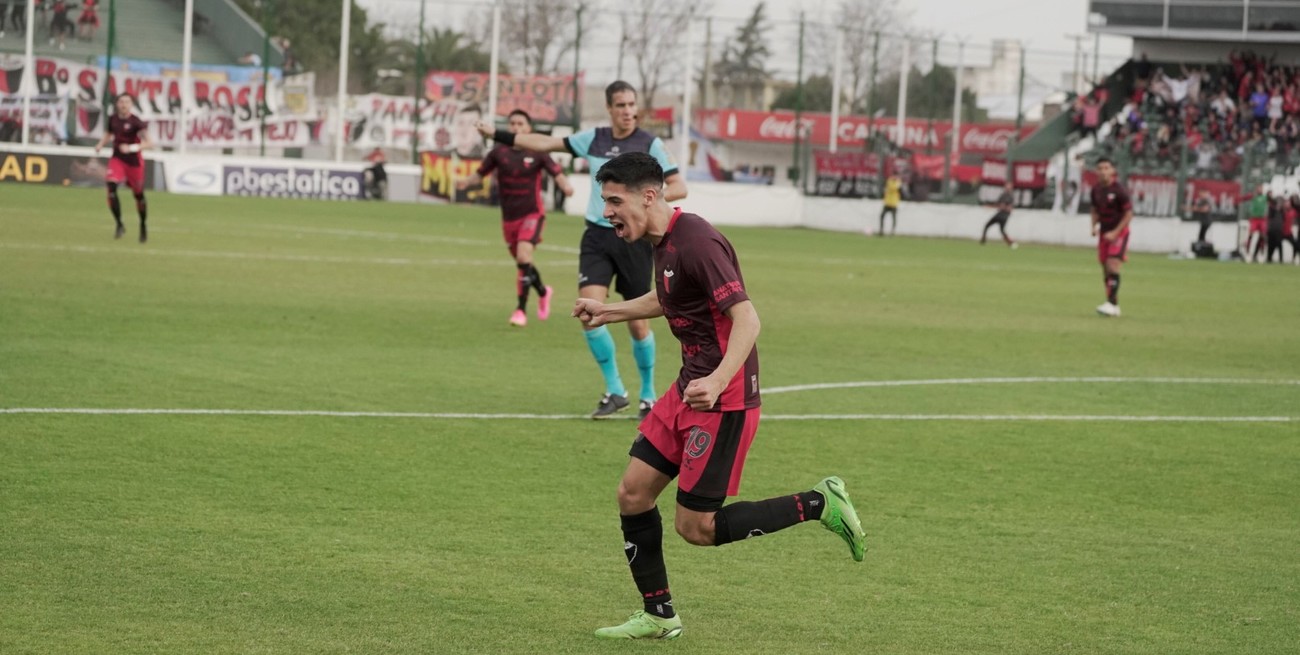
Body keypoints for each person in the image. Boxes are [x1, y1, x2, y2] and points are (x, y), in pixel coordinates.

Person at [572, 152, 865, 640]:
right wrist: (610, 311)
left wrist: (717, 381)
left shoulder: (698, 242)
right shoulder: (661, 243)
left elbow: (748, 320)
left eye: (614, 200)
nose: (607, 211)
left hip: (722, 399)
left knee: (697, 528)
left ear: (648, 195)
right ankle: (659, 614)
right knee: (632, 493)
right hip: (690, 388)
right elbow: (670, 298)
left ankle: (818, 503)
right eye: (605, 201)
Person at [476, 80, 687, 420]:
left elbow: (679, 186)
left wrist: (641, 203)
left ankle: (648, 395)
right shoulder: (594, 138)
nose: (628, 111)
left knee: (638, 324)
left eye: (632, 105)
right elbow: (545, 142)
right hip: (597, 236)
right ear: (609, 108)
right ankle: (616, 390)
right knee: (590, 313)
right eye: (621, 105)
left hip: (634, 239)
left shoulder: (651, 144)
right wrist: (499, 135)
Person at [458, 109, 575, 327]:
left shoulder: (538, 151)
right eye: (512, 124)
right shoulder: (498, 152)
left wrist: (565, 186)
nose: (516, 128)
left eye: (521, 124)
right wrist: (465, 181)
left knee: (523, 257)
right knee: (524, 263)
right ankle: (543, 290)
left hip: (532, 214)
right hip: (509, 218)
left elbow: (556, 172)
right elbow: (480, 174)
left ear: (528, 128)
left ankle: (520, 310)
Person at [94, 94, 152, 243]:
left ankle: (143, 225)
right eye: (121, 102)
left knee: (138, 195)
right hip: (117, 159)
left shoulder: (136, 122)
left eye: (127, 102)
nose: (124, 104)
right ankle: (119, 224)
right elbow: (108, 133)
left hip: (134, 163)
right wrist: (101, 144)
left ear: (131, 104)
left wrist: (132, 147)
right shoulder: (113, 119)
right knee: (111, 187)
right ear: (117, 104)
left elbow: (150, 143)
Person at [1090, 158, 1132, 317]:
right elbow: (1094, 209)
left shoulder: (1119, 190)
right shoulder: (1096, 190)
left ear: (1112, 171)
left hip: (1119, 232)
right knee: (1105, 269)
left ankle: (1111, 304)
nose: (1103, 171)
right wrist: (1093, 226)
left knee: (1112, 264)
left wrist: (1116, 232)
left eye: (1106, 168)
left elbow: (1128, 214)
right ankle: (1113, 304)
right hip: (1104, 233)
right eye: (1100, 168)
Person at [980, 182, 1018, 248]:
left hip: (1004, 215)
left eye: (1009, 187)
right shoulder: (1003, 195)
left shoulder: (1010, 197)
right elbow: (999, 205)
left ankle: (1010, 242)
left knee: (1000, 229)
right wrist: (991, 206)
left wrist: (1004, 207)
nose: (1007, 189)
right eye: (1006, 187)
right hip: (1000, 213)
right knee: (989, 226)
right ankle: (984, 239)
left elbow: (1008, 208)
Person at [1244, 185, 1269, 263]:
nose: (1260, 190)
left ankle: (1261, 254)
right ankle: (1247, 253)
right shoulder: (1253, 196)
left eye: (1261, 189)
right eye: (1258, 189)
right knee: (1250, 235)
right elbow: (1244, 198)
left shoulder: (1265, 197)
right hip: (1254, 219)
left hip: (1262, 219)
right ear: (1256, 190)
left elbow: (1272, 202)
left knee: (1262, 236)